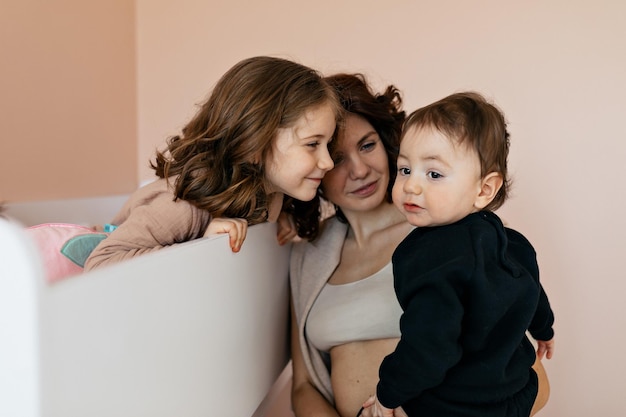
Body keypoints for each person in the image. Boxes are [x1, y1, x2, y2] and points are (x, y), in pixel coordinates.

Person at [363, 92, 555, 417]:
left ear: (484, 189)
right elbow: (530, 287)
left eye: (434, 175)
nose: (411, 186)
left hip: (458, 405)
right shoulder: (509, 240)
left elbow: (428, 347)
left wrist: (387, 395)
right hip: (516, 390)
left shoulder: (431, 260)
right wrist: (544, 329)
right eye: (405, 169)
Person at [85, 56, 340, 271]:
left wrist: (286, 217)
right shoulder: (185, 204)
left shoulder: (275, 194)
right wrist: (201, 248)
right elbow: (99, 264)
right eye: (312, 144)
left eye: (327, 144)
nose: (328, 162)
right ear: (254, 144)